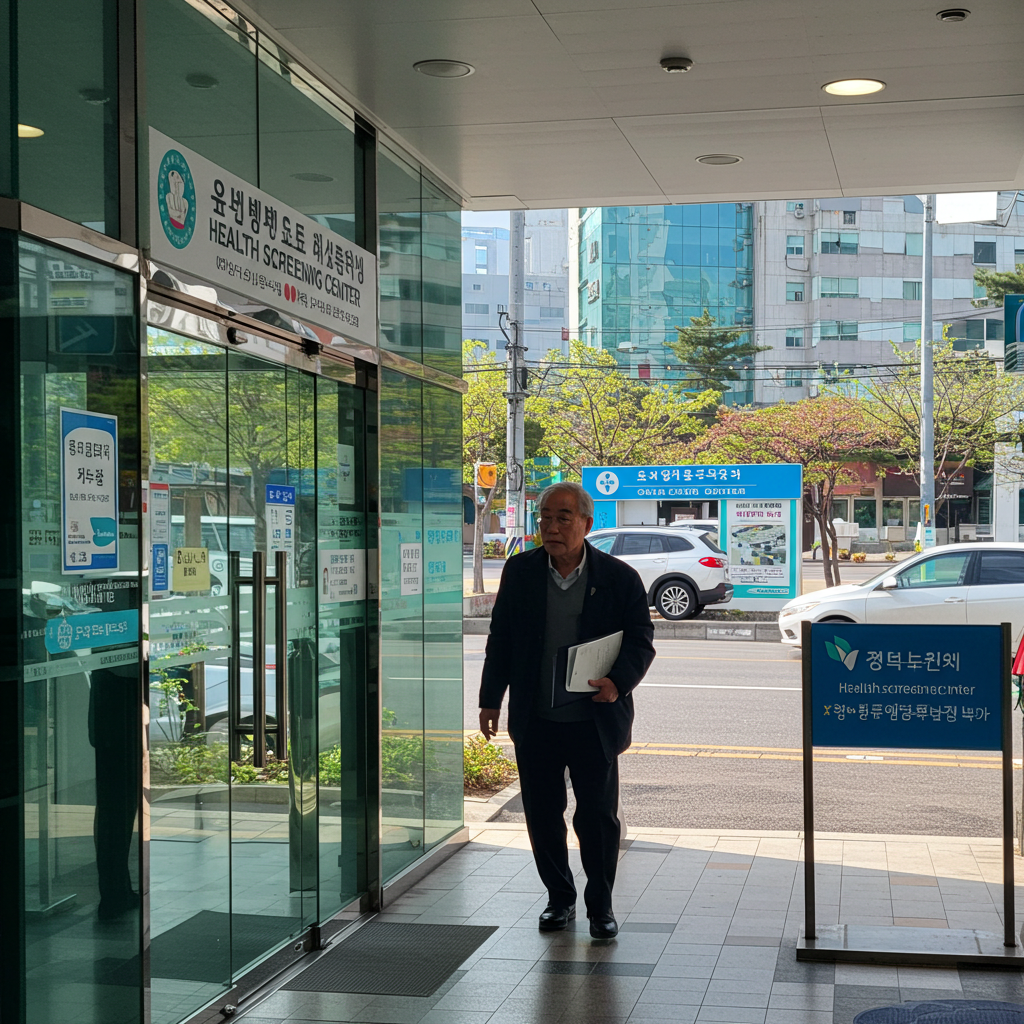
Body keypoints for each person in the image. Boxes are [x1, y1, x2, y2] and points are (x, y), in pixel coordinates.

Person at [479, 483, 655, 938]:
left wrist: (618, 682)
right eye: (545, 517)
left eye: (563, 518)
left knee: (597, 819)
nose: (551, 527)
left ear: (586, 524)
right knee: (542, 815)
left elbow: (640, 641)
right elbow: (501, 639)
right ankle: (559, 899)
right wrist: (489, 699)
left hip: (594, 719)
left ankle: (601, 906)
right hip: (536, 719)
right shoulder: (520, 572)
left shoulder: (619, 577)